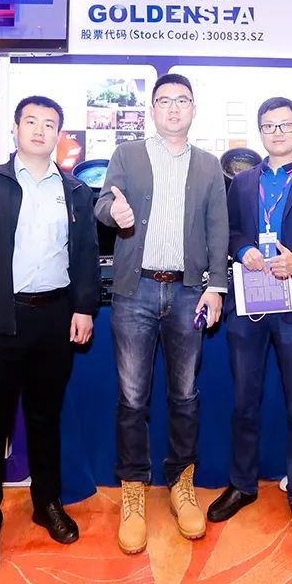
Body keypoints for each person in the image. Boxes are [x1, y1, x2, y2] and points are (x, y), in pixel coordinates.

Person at [0, 96, 100, 584]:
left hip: (54, 319)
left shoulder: (74, 190)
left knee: (45, 419)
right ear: (15, 128)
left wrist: (84, 307)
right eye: (31, 121)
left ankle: (46, 503)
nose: (40, 130)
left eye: (50, 124)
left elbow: (86, 254)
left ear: (59, 135)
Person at [94, 73, 228, 555]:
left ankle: (181, 483)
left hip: (190, 293)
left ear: (193, 109)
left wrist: (217, 286)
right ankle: (133, 488)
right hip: (136, 291)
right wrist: (113, 213)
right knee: (132, 397)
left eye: (182, 100)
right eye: (164, 100)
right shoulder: (127, 155)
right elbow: (103, 203)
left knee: (185, 394)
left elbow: (218, 227)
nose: (173, 108)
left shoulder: (209, 165)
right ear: (152, 109)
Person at [207, 97, 292, 544]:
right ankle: (242, 484)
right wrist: (243, 248)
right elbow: (229, 231)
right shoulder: (242, 183)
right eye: (269, 126)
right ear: (261, 131)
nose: (278, 133)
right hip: (249, 306)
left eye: (285, 125)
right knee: (244, 401)